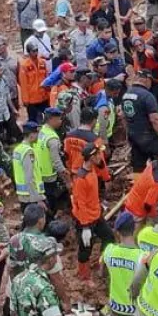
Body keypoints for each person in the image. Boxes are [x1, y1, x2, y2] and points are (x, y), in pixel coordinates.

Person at [64, 106, 111, 277]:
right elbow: (80, 203)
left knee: (109, 238)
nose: (100, 157)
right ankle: (83, 275)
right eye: (98, 155)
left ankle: (104, 266)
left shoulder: (69, 136)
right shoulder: (83, 179)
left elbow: (67, 156)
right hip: (85, 218)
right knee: (85, 248)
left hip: (95, 214)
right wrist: (84, 226)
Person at [122, 70, 158, 172]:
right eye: (151, 81)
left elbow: (124, 117)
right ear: (146, 79)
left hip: (133, 136)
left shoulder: (126, 94)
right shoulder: (147, 96)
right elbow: (155, 120)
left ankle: (139, 185)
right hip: (147, 136)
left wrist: (128, 134)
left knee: (138, 166)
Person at [12, 121, 44, 211]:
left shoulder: (17, 149)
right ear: (31, 135)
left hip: (23, 194)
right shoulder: (28, 152)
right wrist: (38, 199)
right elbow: (29, 177)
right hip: (31, 196)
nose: (38, 135)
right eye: (37, 133)